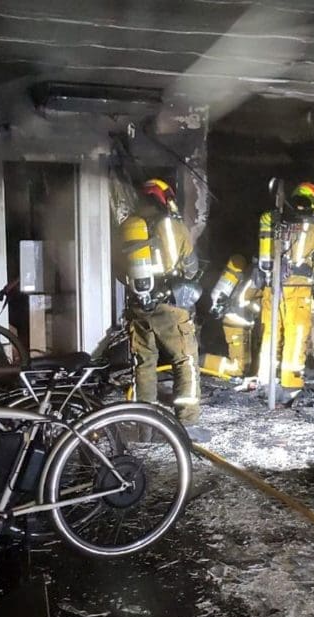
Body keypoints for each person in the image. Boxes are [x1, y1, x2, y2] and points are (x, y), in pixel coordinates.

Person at [116, 178, 209, 441]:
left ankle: (145, 426)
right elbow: (190, 267)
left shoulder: (126, 227)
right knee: (185, 359)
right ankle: (187, 424)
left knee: (144, 363)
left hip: (138, 307)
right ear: (164, 198)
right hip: (170, 306)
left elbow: (118, 270)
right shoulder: (173, 226)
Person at [256, 183, 314, 403]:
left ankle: (265, 380)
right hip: (298, 290)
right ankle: (290, 384)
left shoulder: (277, 222)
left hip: (272, 287)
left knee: (270, 334)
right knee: (296, 336)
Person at [201, 254, 262, 377]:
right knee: (238, 368)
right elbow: (245, 300)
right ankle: (199, 362)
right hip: (237, 320)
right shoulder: (259, 276)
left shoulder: (255, 271)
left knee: (247, 366)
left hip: (241, 320)